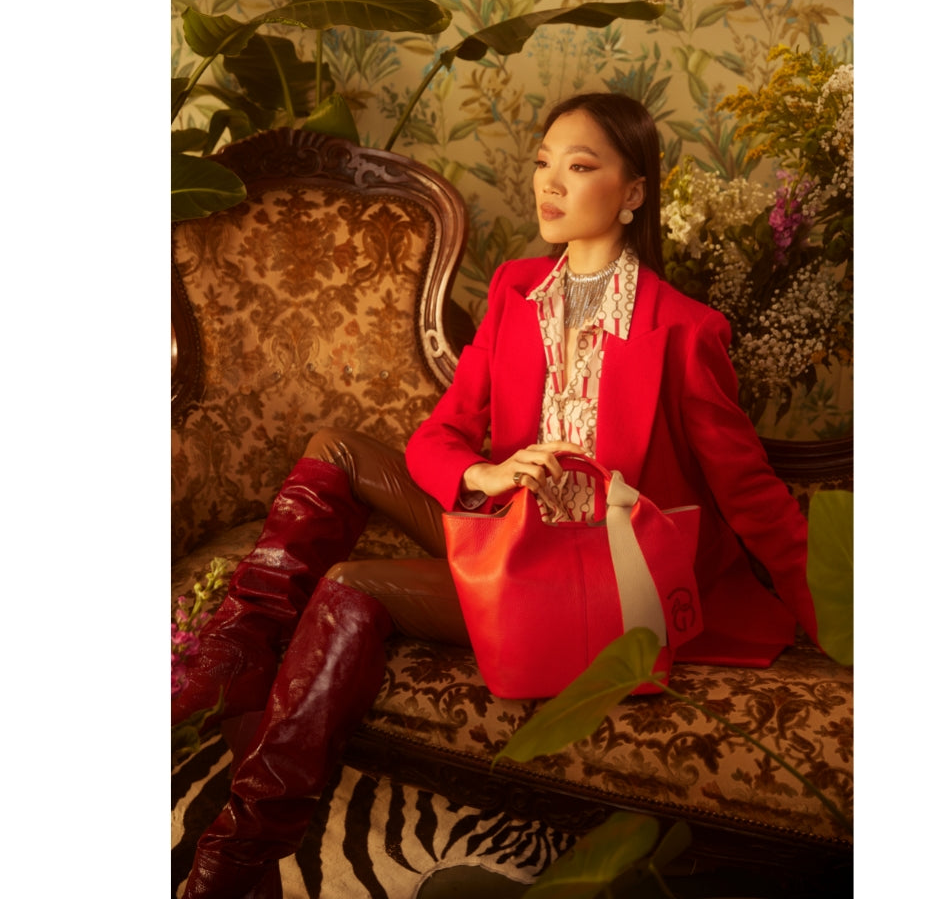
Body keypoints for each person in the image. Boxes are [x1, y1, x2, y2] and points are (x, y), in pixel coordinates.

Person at [174, 92, 819, 898]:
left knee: (350, 587)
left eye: (580, 167)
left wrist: (831, 621)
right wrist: (485, 473)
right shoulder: (517, 295)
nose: (550, 184)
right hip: (505, 534)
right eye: (543, 163)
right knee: (334, 450)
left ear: (633, 192)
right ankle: (239, 645)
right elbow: (436, 436)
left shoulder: (683, 329)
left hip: (601, 583)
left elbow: (750, 490)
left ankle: (237, 854)